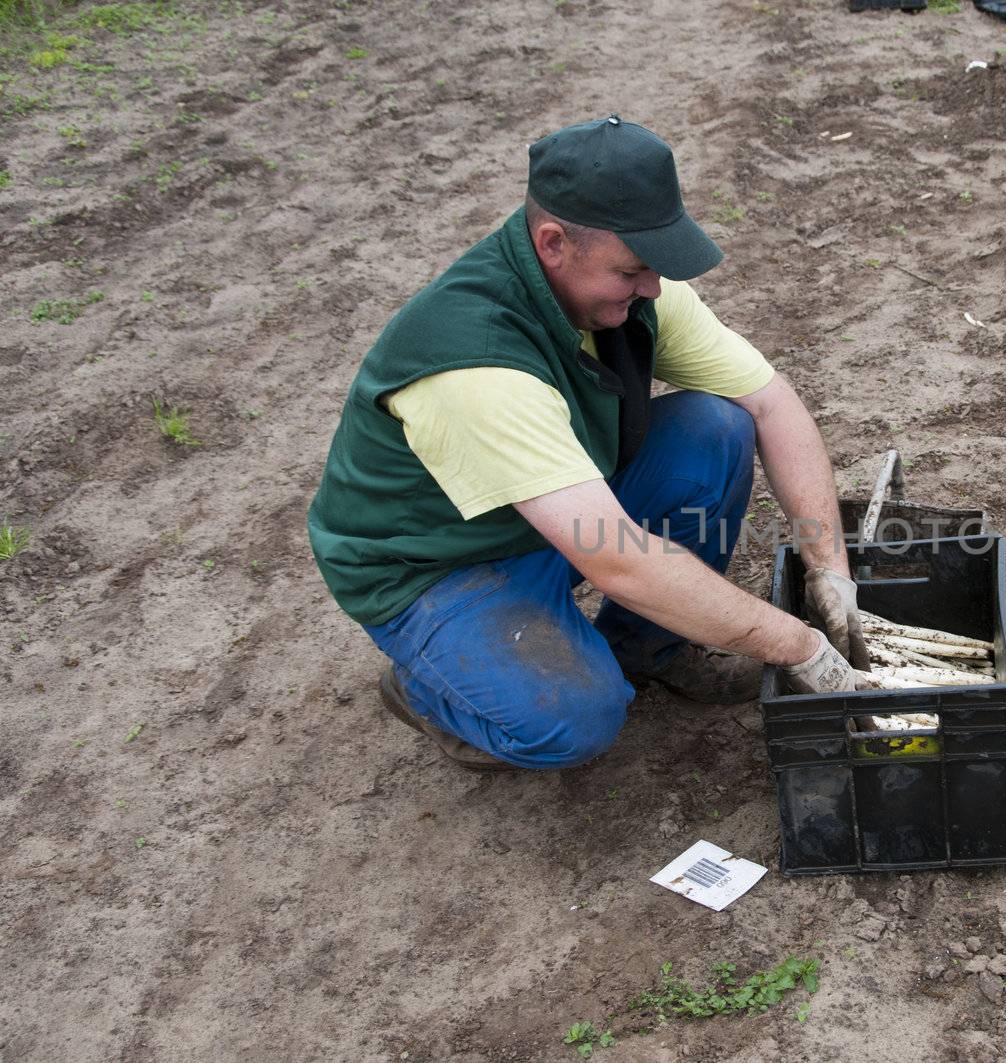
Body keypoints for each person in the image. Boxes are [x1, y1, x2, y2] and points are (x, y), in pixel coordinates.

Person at [307, 115, 865, 772]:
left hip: (556, 509)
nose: (653, 287)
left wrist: (829, 566)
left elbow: (772, 403)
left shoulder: (634, 294)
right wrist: (795, 643)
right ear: (552, 244)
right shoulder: (478, 364)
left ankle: (650, 647)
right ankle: (432, 686)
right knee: (576, 716)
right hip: (439, 563)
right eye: (632, 270)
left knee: (716, 426)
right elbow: (616, 559)